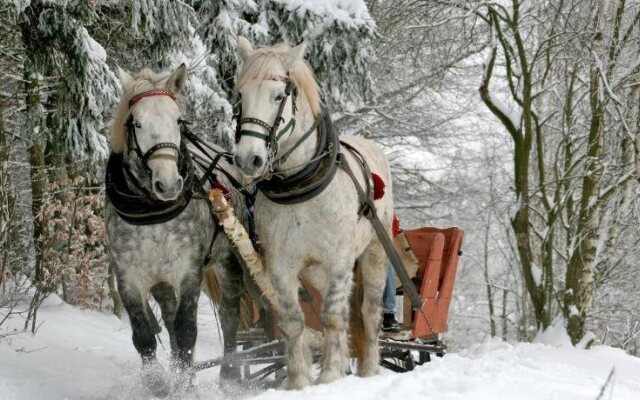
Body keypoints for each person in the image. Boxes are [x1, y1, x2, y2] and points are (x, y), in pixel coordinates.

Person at [382, 215, 402, 333]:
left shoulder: (385, 205)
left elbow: (394, 227)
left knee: (386, 263)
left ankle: (388, 314)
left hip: (378, 246)